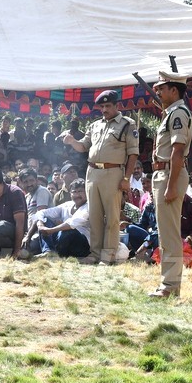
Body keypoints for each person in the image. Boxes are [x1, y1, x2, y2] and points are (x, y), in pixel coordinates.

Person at [63, 90, 139, 264]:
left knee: (112, 216)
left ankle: (108, 255)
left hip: (113, 172)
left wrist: (126, 178)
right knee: (95, 215)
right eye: (102, 106)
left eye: (108, 106)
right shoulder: (95, 125)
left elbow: (133, 153)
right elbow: (83, 146)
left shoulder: (127, 124)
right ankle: (95, 253)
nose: (104, 109)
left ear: (116, 106)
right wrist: (72, 141)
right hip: (92, 172)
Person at [147, 71, 192, 298]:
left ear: (174, 90)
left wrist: (171, 185)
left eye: (162, 89)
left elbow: (177, 151)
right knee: (165, 233)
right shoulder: (171, 113)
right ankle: (168, 282)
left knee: (170, 234)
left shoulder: (178, 114)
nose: (158, 93)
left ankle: (170, 285)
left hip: (169, 174)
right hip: (163, 174)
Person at [25, 179, 90, 258]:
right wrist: (41, 225)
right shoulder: (67, 205)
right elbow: (41, 213)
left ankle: (57, 255)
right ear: (70, 194)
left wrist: (50, 230)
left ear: (86, 193)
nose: (77, 195)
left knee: (69, 230)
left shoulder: (88, 206)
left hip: (82, 244)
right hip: (63, 240)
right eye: (74, 192)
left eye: (80, 191)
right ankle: (49, 252)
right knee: (45, 219)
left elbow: (72, 224)